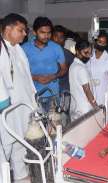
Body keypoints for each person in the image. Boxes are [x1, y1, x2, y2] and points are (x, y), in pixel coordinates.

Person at [0, 13, 37, 183]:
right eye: (21, 30)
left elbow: (26, 78)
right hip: (6, 111)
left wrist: (33, 102)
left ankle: (22, 177)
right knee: (4, 149)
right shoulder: (1, 49)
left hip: (22, 109)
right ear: (8, 29)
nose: (24, 34)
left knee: (20, 144)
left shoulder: (17, 48)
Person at [22, 17, 67, 112]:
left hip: (53, 95)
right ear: (34, 32)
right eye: (42, 32)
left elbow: (64, 69)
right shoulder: (24, 49)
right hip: (33, 95)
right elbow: (20, 72)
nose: (46, 36)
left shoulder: (56, 48)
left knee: (55, 123)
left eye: (49, 33)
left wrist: (54, 76)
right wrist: (35, 78)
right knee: (37, 125)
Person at [69, 39, 97, 120]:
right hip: (85, 109)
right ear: (77, 52)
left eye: (90, 53)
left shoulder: (73, 65)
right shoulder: (81, 68)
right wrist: (96, 108)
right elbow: (87, 90)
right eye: (85, 53)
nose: (88, 56)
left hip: (75, 108)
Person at [87, 32, 108, 106]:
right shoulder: (89, 57)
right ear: (96, 42)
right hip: (90, 94)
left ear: (106, 44)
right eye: (100, 42)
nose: (101, 44)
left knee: (103, 115)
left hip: (103, 94)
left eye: (104, 43)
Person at [52, 25, 74, 94]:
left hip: (64, 93)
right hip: (49, 93)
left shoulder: (68, 55)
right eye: (56, 36)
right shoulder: (45, 53)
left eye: (61, 37)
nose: (58, 40)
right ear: (51, 37)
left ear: (64, 40)